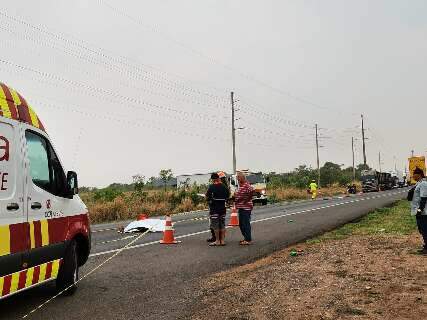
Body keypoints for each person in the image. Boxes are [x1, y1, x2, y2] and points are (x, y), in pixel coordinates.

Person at [206, 172, 230, 246]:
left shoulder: (211, 187)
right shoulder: (224, 187)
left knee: (215, 225)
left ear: (213, 179)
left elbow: (207, 197)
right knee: (222, 224)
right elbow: (228, 196)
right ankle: (222, 241)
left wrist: (209, 199)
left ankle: (217, 240)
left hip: (214, 208)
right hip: (222, 208)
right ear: (218, 178)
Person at [410, 167, 427, 255]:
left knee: (424, 229)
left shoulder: (423, 183)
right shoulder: (418, 183)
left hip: (423, 212)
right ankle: (425, 246)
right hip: (419, 211)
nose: (413, 176)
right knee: (422, 229)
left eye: (414, 174)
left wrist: (420, 210)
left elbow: (424, 198)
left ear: (419, 175)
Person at [235, 171, 254, 245]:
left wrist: (246, 200)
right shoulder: (241, 185)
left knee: (245, 224)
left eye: (238, 177)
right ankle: (246, 238)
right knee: (241, 224)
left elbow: (252, 191)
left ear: (243, 177)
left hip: (246, 208)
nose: (237, 178)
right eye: (237, 177)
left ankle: (248, 239)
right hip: (241, 207)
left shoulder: (246, 185)